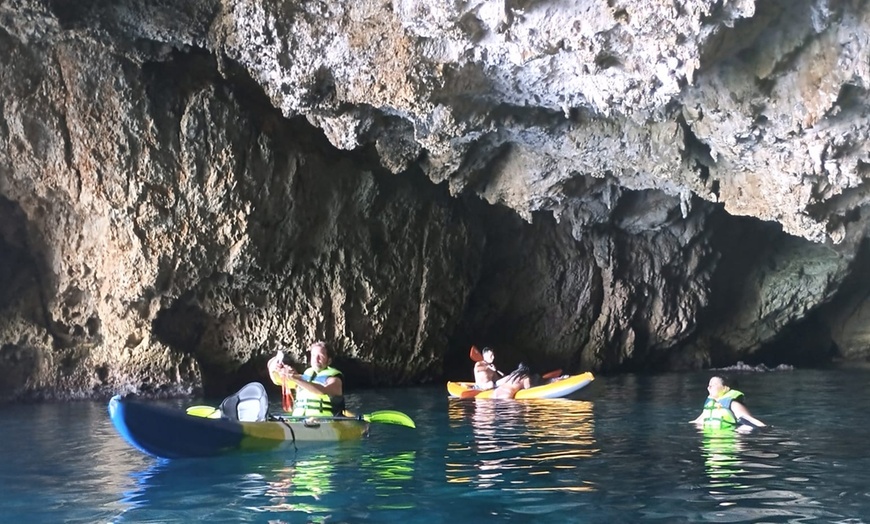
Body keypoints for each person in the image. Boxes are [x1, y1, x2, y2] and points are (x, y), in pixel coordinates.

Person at [267, 341, 345, 417]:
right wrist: (278, 366)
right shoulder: (304, 377)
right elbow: (276, 380)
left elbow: (322, 391)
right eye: (313, 355)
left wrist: (295, 378)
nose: (316, 359)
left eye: (320, 356)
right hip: (299, 421)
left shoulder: (335, 380)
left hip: (325, 421)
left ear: (329, 361)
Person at [690, 375, 765, 430]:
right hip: (711, 445)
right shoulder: (710, 406)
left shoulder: (732, 404)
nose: (709, 387)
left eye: (714, 385)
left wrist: (765, 429)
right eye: (709, 385)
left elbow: (749, 420)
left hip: (728, 443)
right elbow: (698, 421)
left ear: (725, 388)